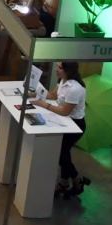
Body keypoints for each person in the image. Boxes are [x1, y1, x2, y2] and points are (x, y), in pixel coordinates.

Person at [32, 62, 89, 197]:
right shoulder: (63, 80)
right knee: (63, 153)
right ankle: (66, 182)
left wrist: (44, 105)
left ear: (68, 70)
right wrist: (35, 94)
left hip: (75, 125)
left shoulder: (76, 89)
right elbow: (53, 94)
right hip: (64, 121)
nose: (56, 70)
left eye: (59, 68)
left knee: (61, 152)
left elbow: (64, 111)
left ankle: (75, 179)